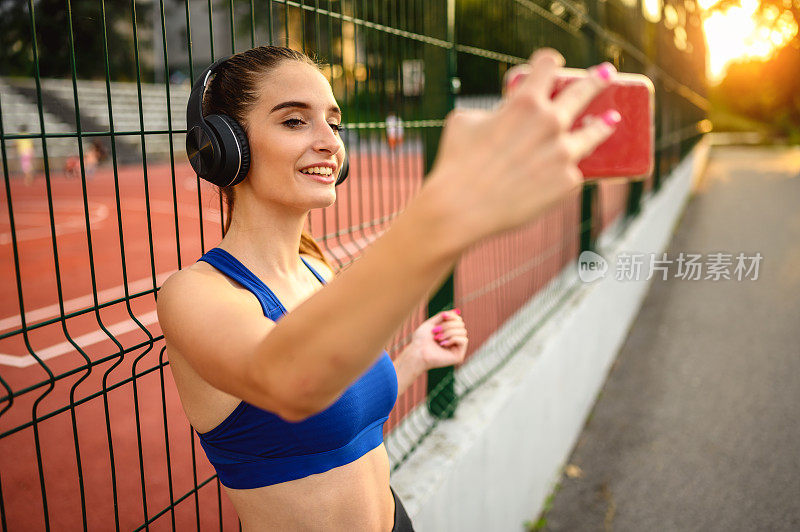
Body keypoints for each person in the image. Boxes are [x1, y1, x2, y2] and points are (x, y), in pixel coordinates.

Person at [156, 45, 618, 530]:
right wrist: (447, 212)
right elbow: (291, 383)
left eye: (333, 123)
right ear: (224, 145)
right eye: (294, 121)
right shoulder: (193, 295)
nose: (330, 142)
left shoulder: (317, 269)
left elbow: (337, 409)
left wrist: (413, 359)